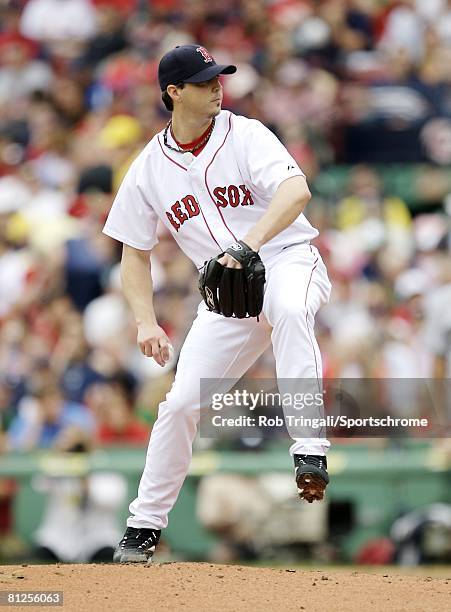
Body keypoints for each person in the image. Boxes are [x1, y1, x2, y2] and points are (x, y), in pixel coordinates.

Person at [103, 44, 332, 563]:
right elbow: (134, 253)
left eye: (218, 78)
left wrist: (247, 246)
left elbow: (296, 191)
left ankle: (310, 449)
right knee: (181, 403)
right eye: (205, 81)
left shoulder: (244, 133)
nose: (217, 87)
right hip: (226, 297)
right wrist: (145, 321)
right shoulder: (147, 168)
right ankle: (143, 527)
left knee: (290, 310)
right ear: (173, 92)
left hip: (285, 258)